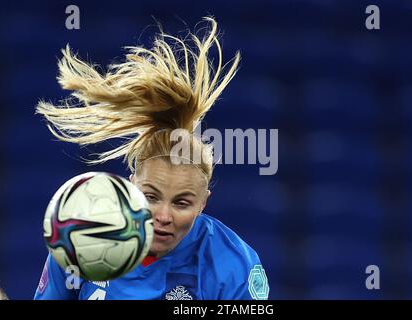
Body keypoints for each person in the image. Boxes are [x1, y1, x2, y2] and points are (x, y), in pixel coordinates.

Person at [27, 17, 269, 300]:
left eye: (182, 202)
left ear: (204, 202)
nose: (163, 217)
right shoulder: (81, 237)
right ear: (130, 187)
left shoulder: (233, 267)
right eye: (151, 197)